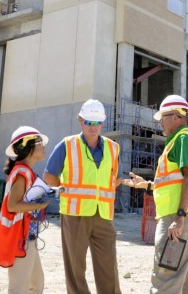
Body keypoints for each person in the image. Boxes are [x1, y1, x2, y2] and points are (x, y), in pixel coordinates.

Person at [126, 94, 188, 294]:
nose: (160, 122)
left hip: (179, 217)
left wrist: (179, 217)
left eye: (163, 117)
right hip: (184, 215)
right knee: (185, 274)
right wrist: (146, 185)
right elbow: (173, 183)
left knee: (165, 274)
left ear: (177, 117)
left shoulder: (183, 139)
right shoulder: (177, 141)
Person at [43, 99, 123, 294]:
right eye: (89, 122)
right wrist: (65, 188)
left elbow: (115, 178)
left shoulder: (113, 148)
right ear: (80, 121)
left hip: (103, 214)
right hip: (75, 214)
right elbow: (49, 175)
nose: (93, 127)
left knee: (108, 264)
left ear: (102, 123)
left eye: (97, 123)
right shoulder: (67, 145)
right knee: (76, 267)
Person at [0, 126, 51, 293]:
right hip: (20, 237)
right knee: (19, 288)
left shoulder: (25, 172)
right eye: (40, 143)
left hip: (26, 237)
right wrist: (41, 204)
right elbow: (13, 205)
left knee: (36, 283)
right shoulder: (22, 172)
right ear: (28, 147)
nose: (44, 147)